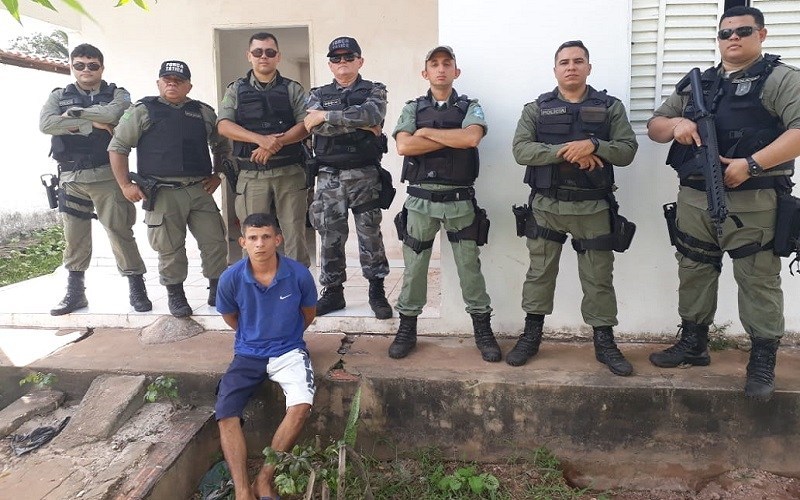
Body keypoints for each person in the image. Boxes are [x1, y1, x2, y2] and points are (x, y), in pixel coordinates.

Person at [647, 6, 800, 401]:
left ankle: (762, 359)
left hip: (754, 200)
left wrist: (752, 164)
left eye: (743, 31)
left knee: (757, 279)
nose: (733, 38)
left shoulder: (781, 79)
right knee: (693, 269)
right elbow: (655, 126)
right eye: (725, 32)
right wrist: (677, 124)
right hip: (695, 199)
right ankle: (693, 344)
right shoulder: (699, 83)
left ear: (761, 35)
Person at [510, 40, 638, 375]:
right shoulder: (536, 109)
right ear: (555, 70)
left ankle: (604, 342)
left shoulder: (610, 107)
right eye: (564, 62)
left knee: (598, 278)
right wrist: (570, 150)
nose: (571, 67)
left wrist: (594, 144)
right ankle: (531, 336)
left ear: (588, 68)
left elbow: (627, 150)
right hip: (546, 206)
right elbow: (521, 150)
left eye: (578, 61)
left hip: (593, 208)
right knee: (539, 273)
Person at [389, 46, 500, 362]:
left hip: (459, 202)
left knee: (469, 269)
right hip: (420, 201)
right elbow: (403, 146)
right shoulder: (412, 108)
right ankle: (407, 330)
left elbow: (470, 139)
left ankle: (483, 331)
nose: (441, 69)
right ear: (425, 72)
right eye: (434, 64)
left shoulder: (470, 107)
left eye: (447, 64)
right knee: (415, 269)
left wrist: (426, 133)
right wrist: (447, 137)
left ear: (456, 71)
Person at [108, 60, 230, 318]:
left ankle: (217, 289)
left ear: (189, 86)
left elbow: (221, 145)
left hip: (199, 189)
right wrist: (125, 185)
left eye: (178, 81)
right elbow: (118, 147)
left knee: (215, 241)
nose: (172, 84)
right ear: (159, 83)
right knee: (170, 248)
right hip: (162, 192)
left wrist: (217, 175)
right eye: (167, 80)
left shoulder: (203, 112)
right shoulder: (143, 111)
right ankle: (176, 294)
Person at [40, 43, 151, 316]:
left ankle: (137, 288)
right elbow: (46, 124)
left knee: (119, 231)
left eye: (92, 65)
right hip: (71, 177)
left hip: (106, 175)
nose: (86, 70)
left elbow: (114, 114)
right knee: (74, 237)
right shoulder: (59, 95)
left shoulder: (117, 94)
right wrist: (92, 123)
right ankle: (75, 293)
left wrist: (73, 115)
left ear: (102, 67)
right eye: (79, 65)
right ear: (72, 66)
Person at [215, 212, 316, 500]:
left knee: (301, 405)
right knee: (225, 412)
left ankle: (264, 480)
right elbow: (230, 317)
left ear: (278, 240)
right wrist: (253, 335)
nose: (260, 244)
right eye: (253, 238)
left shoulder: (298, 274)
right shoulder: (230, 278)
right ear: (243, 242)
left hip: (289, 351)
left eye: (266, 237)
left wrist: (286, 336)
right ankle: (242, 490)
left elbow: (308, 314)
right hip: (247, 353)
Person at [303, 36, 392, 319]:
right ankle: (333, 292)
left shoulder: (374, 90)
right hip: (329, 176)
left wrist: (326, 116)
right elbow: (314, 128)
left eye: (349, 57)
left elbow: (372, 114)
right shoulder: (317, 94)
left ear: (360, 61)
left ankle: (376, 291)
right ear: (330, 65)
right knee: (329, 234)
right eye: (336, 58)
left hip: (365, 175)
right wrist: (358, 123)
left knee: (370, 234)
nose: (342, 62)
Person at [217, 32, 311, 267]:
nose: (263, 57)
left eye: (270, 52)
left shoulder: (292, 89)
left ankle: (296, 286)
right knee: (254, 236)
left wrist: (273, 144)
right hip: (252, 176)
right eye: (258, 52)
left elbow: (305, 126)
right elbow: (224, 125)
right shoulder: (235, 90)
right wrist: (260, 140)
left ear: (278, 56)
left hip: (289, 172)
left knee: (295, 235)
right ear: (249, 55)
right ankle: (255, 285)